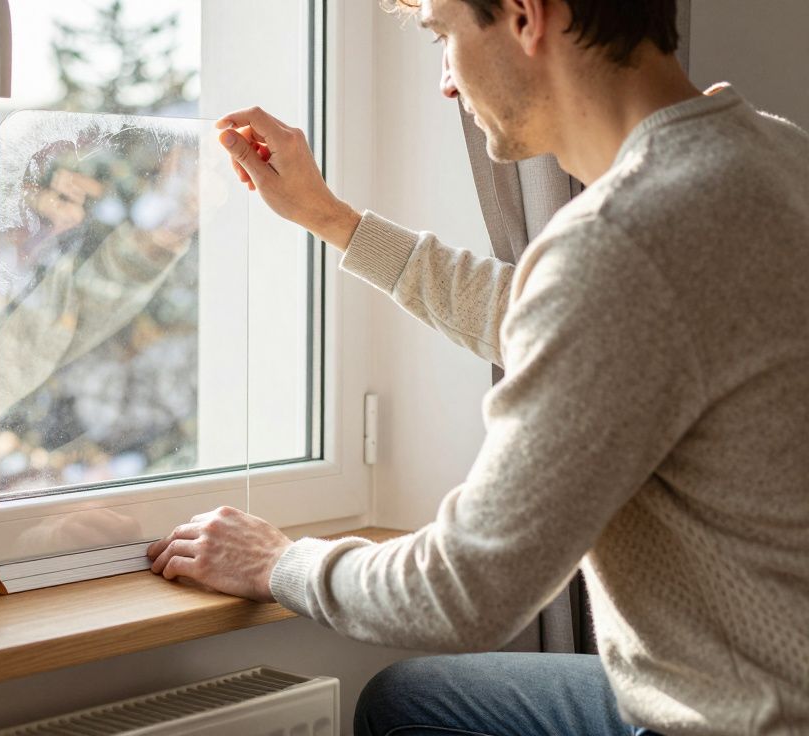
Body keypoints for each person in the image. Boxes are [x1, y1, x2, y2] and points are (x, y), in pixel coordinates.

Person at [146, 0, 809, 734]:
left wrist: (278, 561)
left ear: (526, 17)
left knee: (406, 708)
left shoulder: (623, 243)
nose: (446, 84)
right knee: (411, 700)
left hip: (742, 716)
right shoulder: (772, 156)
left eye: (443, 35)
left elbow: (464, 591)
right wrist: (331, 219)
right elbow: (582, 332)